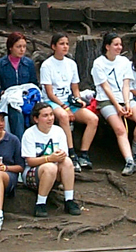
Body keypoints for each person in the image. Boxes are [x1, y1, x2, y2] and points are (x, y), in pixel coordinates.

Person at [91, 32, 136, 175]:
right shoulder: (98, 63)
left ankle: (135, 152)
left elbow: (126, 84)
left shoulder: (124, 62)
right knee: (120, 129)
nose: (119, 47)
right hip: (106, 100)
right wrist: (117, 106)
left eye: (120, 45)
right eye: (116, 45)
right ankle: (129, 161)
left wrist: (127, 104)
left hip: (125, 98)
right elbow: (105, 87)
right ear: (107, 46)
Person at [40, 32, 99, 171]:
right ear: (53, 46)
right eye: (61, 44)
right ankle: (71, 153)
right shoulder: (47, 65)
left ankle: (84, 153)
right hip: (53, 102)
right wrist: (64, 106)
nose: (65, 47)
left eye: (67, 44)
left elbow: (75, 87)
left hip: (68, 101)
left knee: (93, 119)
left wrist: (78, 99)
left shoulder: (71, 64)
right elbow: (49, 92)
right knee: (64, 116)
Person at [21, 102, 81, 218]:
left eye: (51, 115)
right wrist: (49, 158)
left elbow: (64, 155)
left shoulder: (58, 131)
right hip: (34, 174)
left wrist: (59, 156)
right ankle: (40, 203)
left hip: (55, 173)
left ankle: (69, 200)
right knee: (50, 167)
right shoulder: (29, 134)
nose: (50, 118)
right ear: (36, 119)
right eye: (45, 116)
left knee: (68, 161)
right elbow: (30, 161)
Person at [0, 31, 38, 141]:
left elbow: (34, 83)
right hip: (10, 99)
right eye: (18, 46)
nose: (22, 50)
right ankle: (18, 144)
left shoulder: (28, 63)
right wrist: (1, 92)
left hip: (27, 98)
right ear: (10, 47)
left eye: (24, 46)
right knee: (16, 112)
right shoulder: (0, 64)